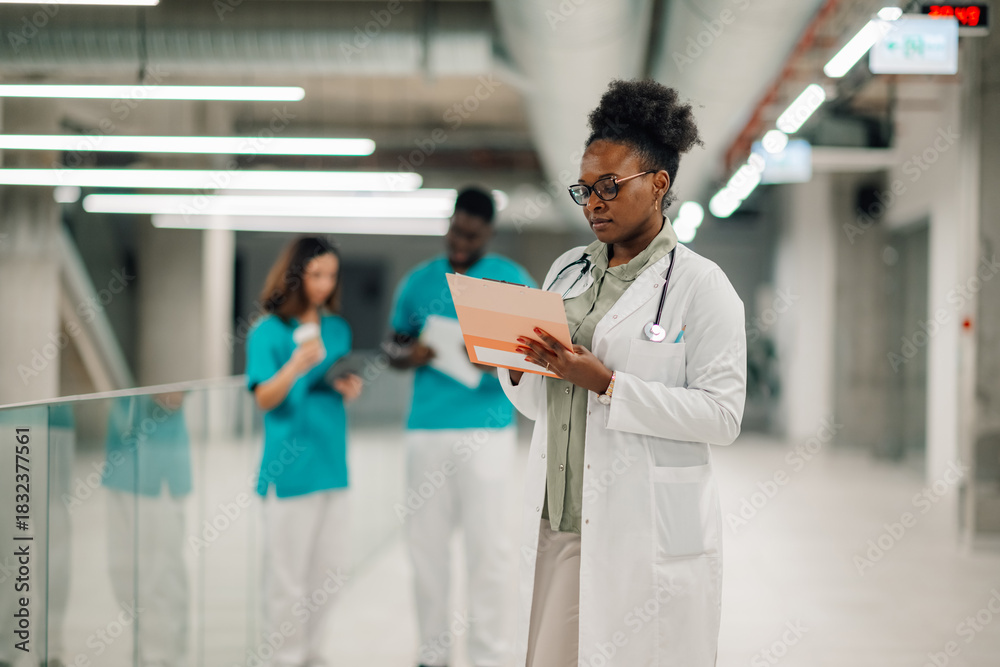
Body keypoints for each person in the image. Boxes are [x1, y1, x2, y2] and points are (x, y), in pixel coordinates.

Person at [500, 80, 747, 666]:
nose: (593, 203)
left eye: (610, 186)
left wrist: (609, 385)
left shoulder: (701, 285)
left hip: (642, 524)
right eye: (585, 189)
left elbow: (723, 416)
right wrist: (512, 365)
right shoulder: (565, 270)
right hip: (558, 516)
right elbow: (542, 404)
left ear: (659, 183)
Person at [387, 187, 535, 667]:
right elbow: (392, 347)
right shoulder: (419, 281)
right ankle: (432, 655)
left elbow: (537, 353)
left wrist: (494, 357)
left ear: (488, 233)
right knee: (426, 551)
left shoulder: (511, 280)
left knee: (488, 550)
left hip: (487, 431)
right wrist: (412, 355)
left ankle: (488, 656)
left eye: (471, 234)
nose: (460, 242)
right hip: (426, 429)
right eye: (455, 229)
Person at [246, 236, 364, 667]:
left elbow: (331, 381)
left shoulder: (337, 328)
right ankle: (283, 658)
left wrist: (344, 385)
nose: (324, 284)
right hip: (289, 469)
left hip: (332, 465)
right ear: (295, 276)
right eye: (316, 275)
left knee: (328, 575)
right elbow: (264, 398)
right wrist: (297, 364)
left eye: (331, 275)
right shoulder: (268, 332)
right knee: (286, 579)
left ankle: (312, 654)